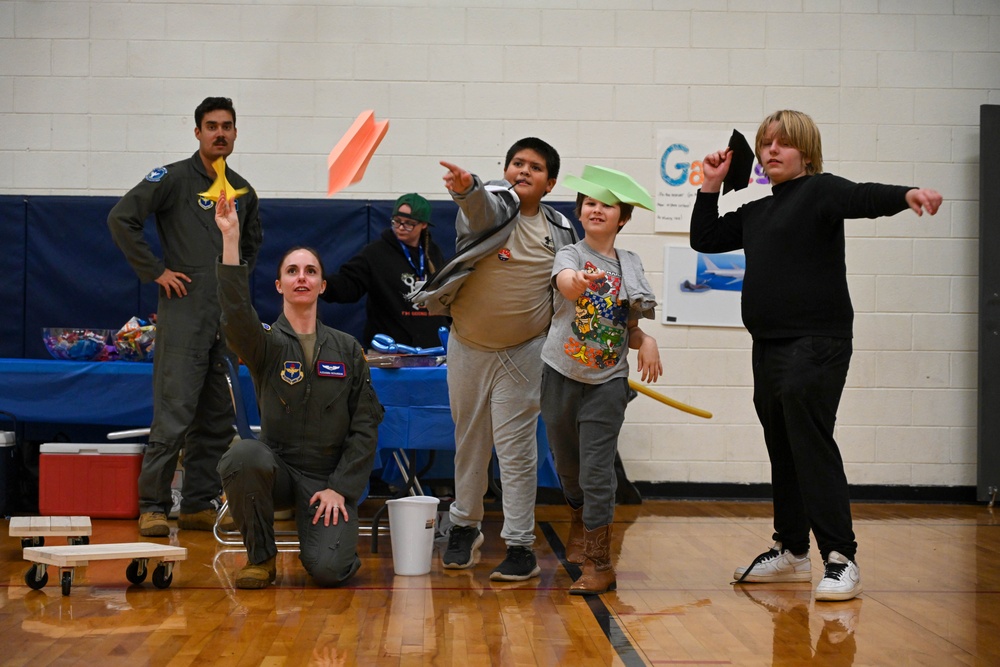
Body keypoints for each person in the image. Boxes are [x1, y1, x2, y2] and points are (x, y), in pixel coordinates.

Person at [690, 109, 943, 601]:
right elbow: (705, 238)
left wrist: (906, 196)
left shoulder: (821, 191)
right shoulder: (758, 212)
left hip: (818, 342)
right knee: (782, 446)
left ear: (805, 150)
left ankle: (840, 556)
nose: (770, 152)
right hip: (768, 345)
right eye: (765, 144)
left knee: (810, 442)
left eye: (782, 143)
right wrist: (710, 185)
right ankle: (791, 550)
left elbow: (862, 196)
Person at [411, 138, 579, 581]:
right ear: (505, 170)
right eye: (517, 163)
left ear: (551, 182)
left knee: (517, 451)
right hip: (468, 345)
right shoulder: (492, 207)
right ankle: (465, 526)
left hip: (524, 353)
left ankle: (521, 543)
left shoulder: (561, 230)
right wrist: (465, 189)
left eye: (536, 167)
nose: (524, 171)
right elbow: (479, 206)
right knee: (469, 441)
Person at [108, 97, 263, 537]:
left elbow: (250, 249)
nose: (220, 133)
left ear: (235, 133)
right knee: (173, 416)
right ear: (197, 132)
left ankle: (197, 503)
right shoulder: (172, 179)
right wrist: (155, 271)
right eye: (211, 125)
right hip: (183, 314)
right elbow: (121, 219)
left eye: (227, 126)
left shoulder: (244, 190)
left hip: (226, 320)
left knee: (216, 419)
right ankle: (154, 505)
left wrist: (234, 295)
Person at [213, 191, 383, 589]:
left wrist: (340, 488)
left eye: (310, 271)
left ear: (323, 285)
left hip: (329, 477)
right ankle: (260, 559)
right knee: (244, 453)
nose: (301, 277)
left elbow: (365, 426)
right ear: (279, 285)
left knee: (329, 571)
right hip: (280, 470)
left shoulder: (347, 349)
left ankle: (332, 542)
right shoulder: (265, 344)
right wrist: (231, 238)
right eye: (292, 271)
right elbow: (236, 314)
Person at [540, 165, 662, 595]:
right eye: (589, 203)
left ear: (622, 217)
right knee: (569, 468)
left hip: (608, 381)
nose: (596, 209)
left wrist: (644, 339)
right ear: (579, 212)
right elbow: (567, 285)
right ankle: (577, 516)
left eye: (606, 205)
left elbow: (628, 326)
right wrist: (579, 282)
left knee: (596, 472)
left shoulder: (630, 263)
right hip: (560, 374)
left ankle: (599, 563)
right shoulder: (571, 255)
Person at [320, 193, 449, 349]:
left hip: (432, 350)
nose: (401, 227)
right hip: (389, 350)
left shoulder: (433, 254)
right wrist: (323, 285)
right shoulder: (375, 253)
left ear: (423, 225)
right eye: (397, 222)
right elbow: (349, 285)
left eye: (409, 223)